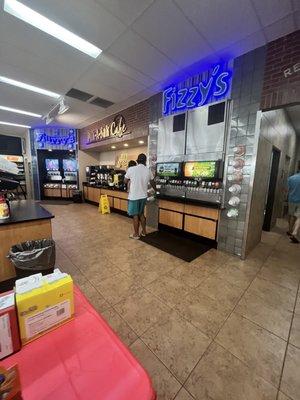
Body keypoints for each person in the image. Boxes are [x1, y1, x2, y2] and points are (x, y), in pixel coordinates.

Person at [124, 153, 155, 239]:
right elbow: (153, 183)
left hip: (134, 197)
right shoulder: (148, 170)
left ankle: (136, 234)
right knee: (141, 214)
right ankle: (144, 232)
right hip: (143, 196)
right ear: (145, 161)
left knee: (135, 215)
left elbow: (125, 181)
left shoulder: (131, 169)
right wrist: (157, 190)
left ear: (138, 161)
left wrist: (130, 179)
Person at [287, 170, 300, 243]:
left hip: (291, 199)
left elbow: (288, 189)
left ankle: (290, 230)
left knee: (291, 215)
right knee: (299, 217)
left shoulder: (291, 178)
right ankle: (294, 233)